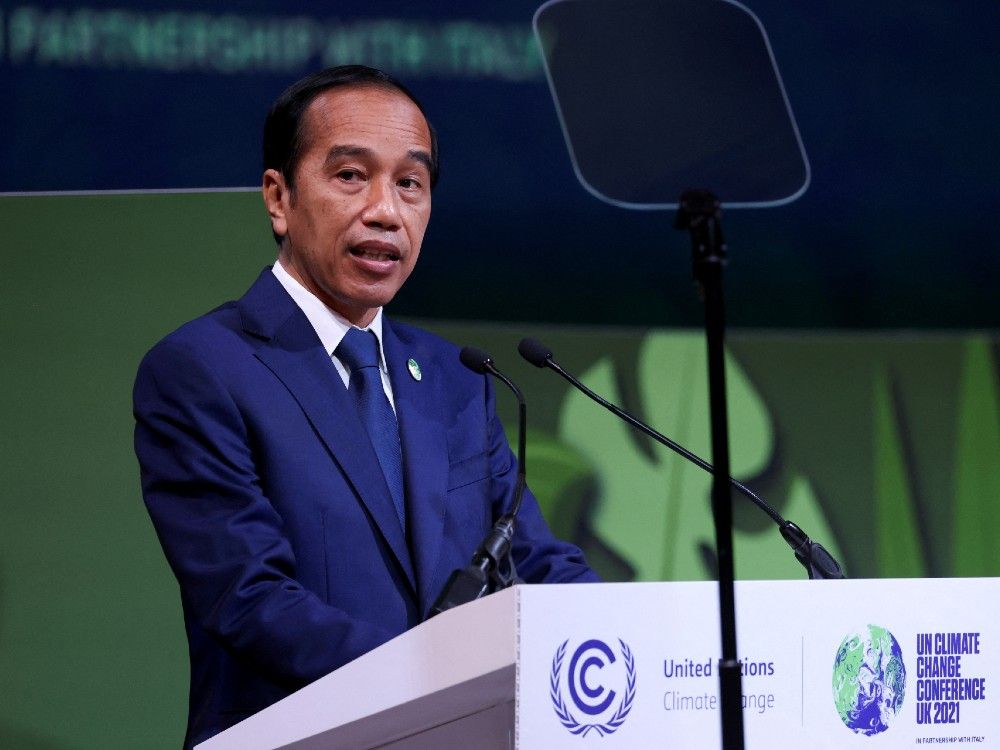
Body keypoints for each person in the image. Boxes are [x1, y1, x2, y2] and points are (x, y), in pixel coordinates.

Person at [133, 65, 597, 749]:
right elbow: (251, 600)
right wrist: (437, 684)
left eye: (410, 183)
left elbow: (534, 562)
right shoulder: (203, 370)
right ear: (279, 198)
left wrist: (626, 636)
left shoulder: (456, 379)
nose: (386, 210)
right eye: (351, 176)